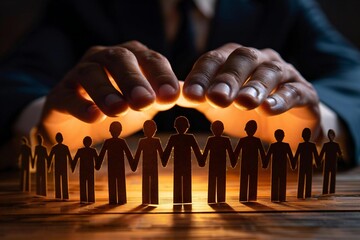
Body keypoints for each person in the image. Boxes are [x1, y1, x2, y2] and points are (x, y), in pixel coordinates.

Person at [1, 0, 360, 168]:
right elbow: (11, 81)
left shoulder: (284, 7)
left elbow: (352, 74)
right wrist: (46, 126)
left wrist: (317, 123)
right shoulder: (83, 7)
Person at [162, 116, 202, 204]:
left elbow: (196, 150)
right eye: (180, 126)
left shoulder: (189, 138)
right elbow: (168, 150)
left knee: (185, 182)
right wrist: (164, 160)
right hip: (179, 165)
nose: (181, 128)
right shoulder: (175, 138)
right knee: (178, 182)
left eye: (183, 126)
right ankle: (178, 199)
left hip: (185, 165)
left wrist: (201, 160)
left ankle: (184, 199)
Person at [96, 121, 134, 204]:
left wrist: (98, 164)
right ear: (120, 131)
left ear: (110, 130)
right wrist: (132, 164)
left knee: (116, 182)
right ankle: (118, 199)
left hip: (115, 166)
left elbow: (127, 153)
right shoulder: (116, 142)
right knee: (115, 182)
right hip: (115, 166)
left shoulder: (114, 142)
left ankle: (119, 199)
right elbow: (102, 153)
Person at [234, 120, 266, 202]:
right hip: (250, 164)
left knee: (250, 181)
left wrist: (233, 161)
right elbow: (237, 152)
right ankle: (246, 197)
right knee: (248, 180)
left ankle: (248, 197)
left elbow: (262, 152)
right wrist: (264, 162)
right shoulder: (251, 140)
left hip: (249, 164)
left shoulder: (245, 140)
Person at [133, 120, 164, 205]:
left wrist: (134, 164)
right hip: (147, 166)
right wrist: (134, 164)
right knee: (147, 182)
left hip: (151, 166)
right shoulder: (143, 141)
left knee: (152, 182)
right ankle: (147, 200)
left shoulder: (155, 141)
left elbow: (161, 152)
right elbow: (138, 153)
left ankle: (152, 200)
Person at [72, 136, 98, 203]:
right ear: (91, 142)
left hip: (84, 171)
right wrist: (97, 166)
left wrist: (73, 167)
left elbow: (75, 160)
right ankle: (90, 199)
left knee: (84, 185)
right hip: (89, 171)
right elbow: (97, 160)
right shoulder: (93, 150)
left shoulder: (81, 151)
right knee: (90, 185)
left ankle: (84, 199)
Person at [48, 132, 72, 200]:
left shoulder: (60, 147)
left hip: (61, 168)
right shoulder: (58, 148)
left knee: (63, 182)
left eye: (60, 138)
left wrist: (72, 165)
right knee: (59, 182)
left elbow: (69, 157)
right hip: (59, 167)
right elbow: (50, 158)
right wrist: (49, 166)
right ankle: (60, 196)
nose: (60, 139)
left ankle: (63, 196)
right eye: (59, 138)